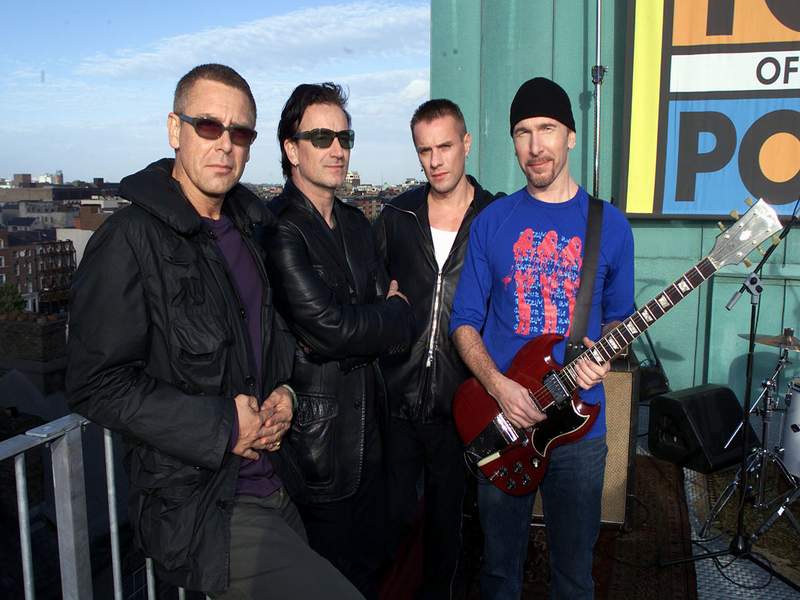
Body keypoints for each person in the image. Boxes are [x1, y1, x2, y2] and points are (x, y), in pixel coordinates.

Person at [66, 64, 362, 599]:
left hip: (276, 480)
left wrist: (287, 393)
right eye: (208, 126)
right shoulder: (129, 239)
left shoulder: (250, 231)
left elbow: (273, 344)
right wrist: (224, 425)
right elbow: (96, 383)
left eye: (240, 132)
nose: (225, 143)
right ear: (174, 130)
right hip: (204, 504)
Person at [450, 77, 635, 599]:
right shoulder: (493, 221)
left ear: (570, 136)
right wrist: (498, 385)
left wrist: (609, 351)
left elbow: (619, 322)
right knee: (498, 572)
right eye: (523, 132)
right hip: (502, 418)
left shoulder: (610, 226)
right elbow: (463, 320)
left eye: (547, 129)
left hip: (580, 427)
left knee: (574, 575)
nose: (535, 145)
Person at [265, 82, 415, 599]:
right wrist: (388, 315)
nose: (337, 149)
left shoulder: (354, 223)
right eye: (321, 137)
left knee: (370, 573)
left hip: (374, 433)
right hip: (319, 444)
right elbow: (330, 330)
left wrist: (371, 323)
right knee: (327, 581)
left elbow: (366, 326)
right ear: (292, 150)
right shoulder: (280, 230)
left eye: (345, 138)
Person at [374, 99, 499, 599]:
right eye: (425, 150)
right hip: (397, 399)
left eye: (445, 146)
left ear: (466, 144)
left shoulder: (494, 217)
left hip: (461, 404)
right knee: (393, 525)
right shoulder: (397, 214)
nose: (435, 160)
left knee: (451, 530)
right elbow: (371, 290)